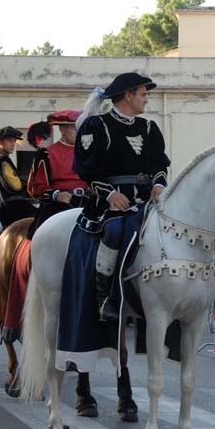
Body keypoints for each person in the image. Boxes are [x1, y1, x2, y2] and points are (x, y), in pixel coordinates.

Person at [74, 72, 170, 321]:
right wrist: (110, 194)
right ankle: (103, 297)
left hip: (148, 202)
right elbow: (87, 169)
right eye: (143, 94)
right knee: (115, 230)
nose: (147, 99)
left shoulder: (149, 128)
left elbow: (160, 165)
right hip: (111, 203)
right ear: (128, 95)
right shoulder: (97, 125)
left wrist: (159, 184)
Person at [26, 110, 87, 237]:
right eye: (75, 129)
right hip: (59, 204)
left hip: (87, 202)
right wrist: (56, 195)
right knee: (42, 237)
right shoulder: (46, 153)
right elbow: (34, 187)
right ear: (62, 129)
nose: (80, 132)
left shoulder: (89, 153)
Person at [0, 126, 36, 228]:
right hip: (14, 206)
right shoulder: (2, 160)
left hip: (6, 205)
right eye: (9, 141)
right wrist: (31, 185)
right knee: (42, 217)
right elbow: (15, 186)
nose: (13, 144)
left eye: (14, 141)